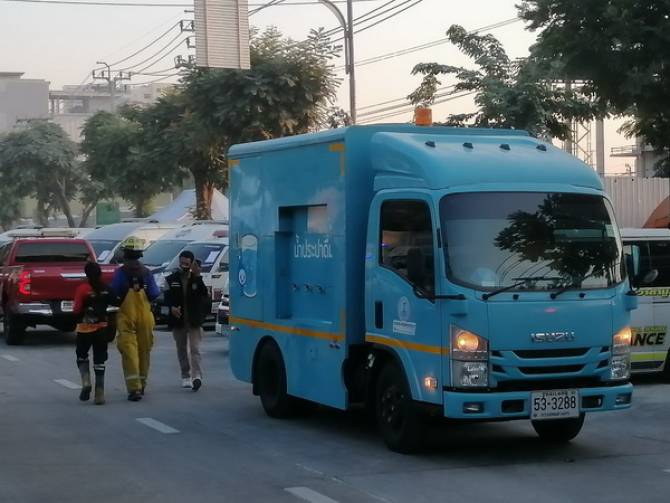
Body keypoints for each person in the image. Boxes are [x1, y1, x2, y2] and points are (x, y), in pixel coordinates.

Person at [110, 237, 160, 402]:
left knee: (129, 351)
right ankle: (142, 384)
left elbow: (114, 293)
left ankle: (134, 389)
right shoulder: (147, 273)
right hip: (145, 317)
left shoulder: (120, 273)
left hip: (126, 317)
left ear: (125, 253)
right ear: (140, 254)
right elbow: (154, 293)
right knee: (144, 351)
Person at [73, 262, 118, 406]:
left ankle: (86, 381)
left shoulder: (82, 288)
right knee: (100, 359)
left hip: (84, 328)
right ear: (100, 273)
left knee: (81, 355)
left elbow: (76, 309)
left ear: (86, 274)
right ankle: (99, 393)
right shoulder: (106, 288)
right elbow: (117, 301)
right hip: (102, 328)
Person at [165, 251, 210, 391]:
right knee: (181, 349)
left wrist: (197, 276)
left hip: (194, 320)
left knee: (195, 349)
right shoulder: (171, 279)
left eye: (186, 263)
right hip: (178, 320)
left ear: (192, 263)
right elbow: (166, 298)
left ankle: (197, 376)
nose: (183, 265)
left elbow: (204, 294)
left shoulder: (196, 279)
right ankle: (185, 375)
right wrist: (172, 307)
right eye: (181, 262)